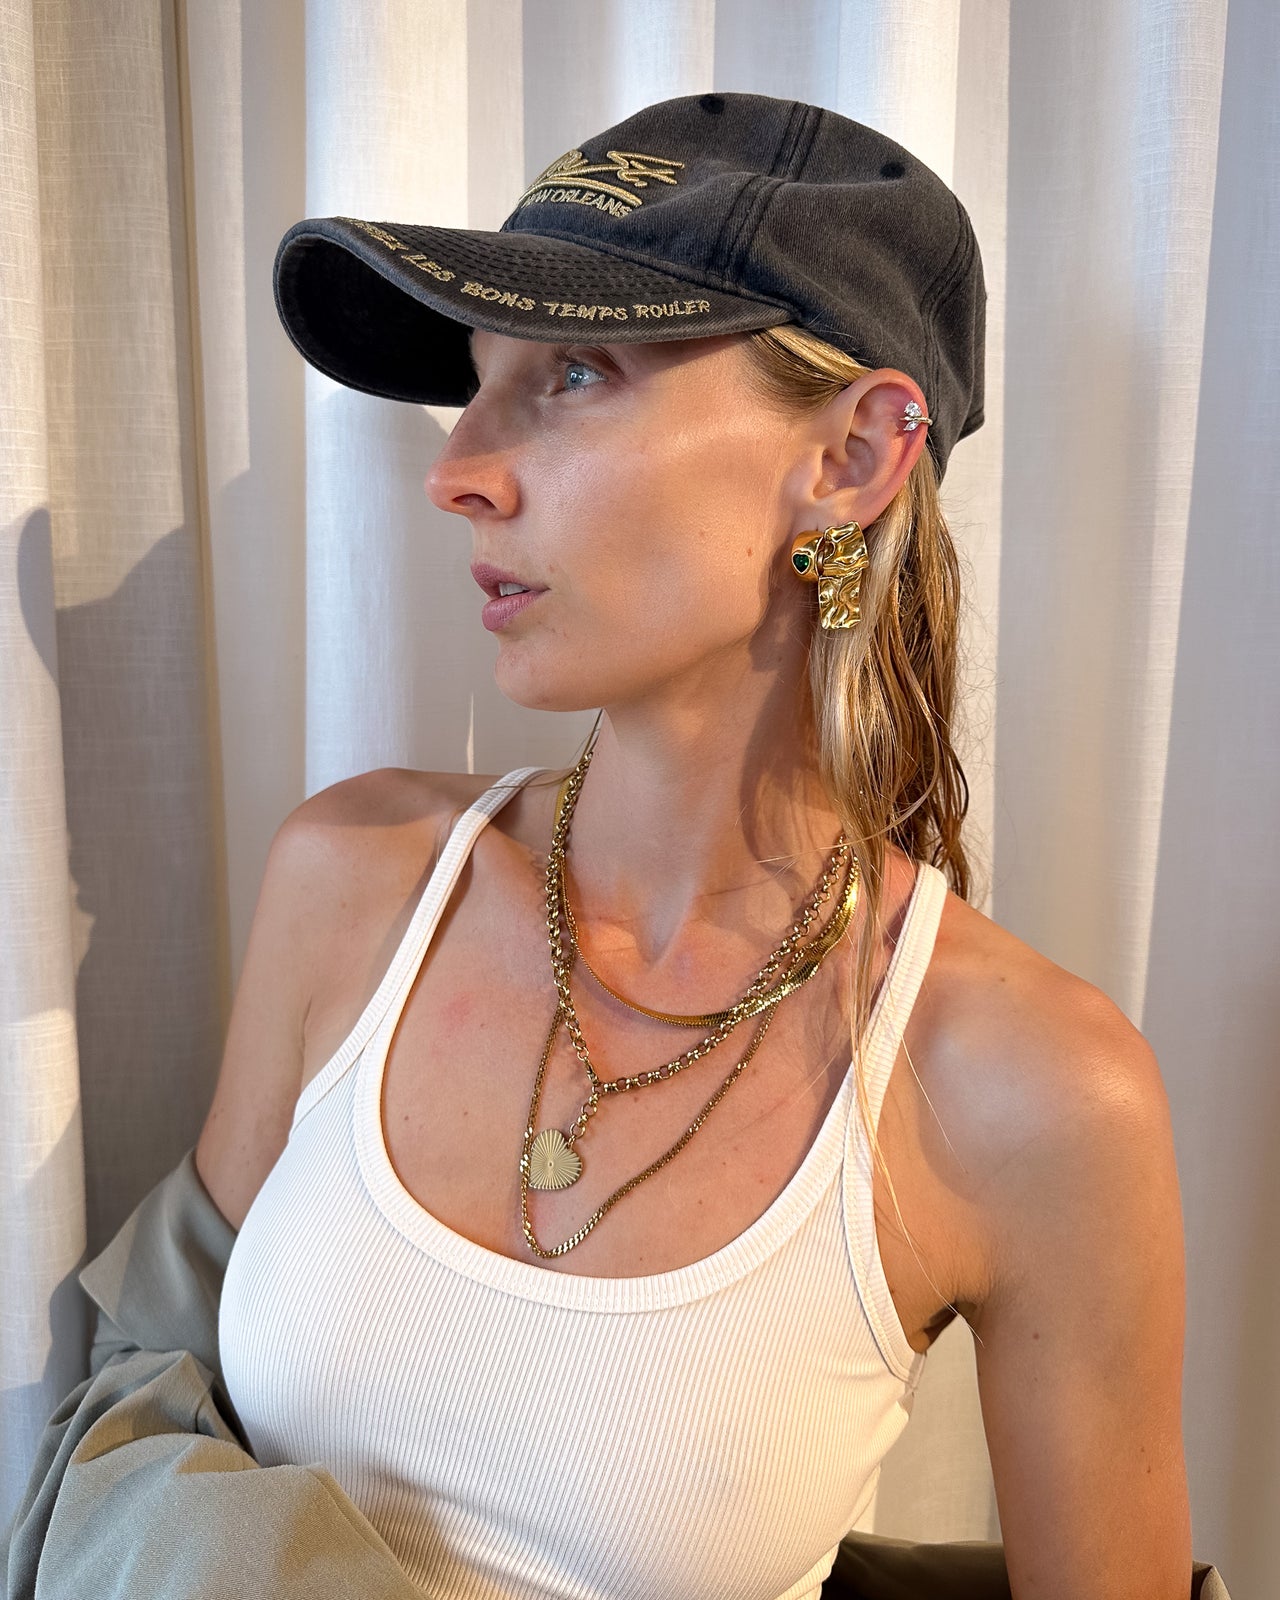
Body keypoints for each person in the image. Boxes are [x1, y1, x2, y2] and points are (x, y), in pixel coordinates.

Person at [9, 91, 1210, 1600]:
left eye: (574, 373)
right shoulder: (357, 881)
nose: (460, 468)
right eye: (478, 381)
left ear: (852, 456)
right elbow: (137, 1393)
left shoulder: (1031, 1092)